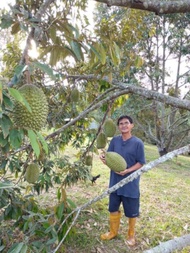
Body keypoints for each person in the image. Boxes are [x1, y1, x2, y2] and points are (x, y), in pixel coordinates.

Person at [99, 115, 146, 246]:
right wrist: (104, 160)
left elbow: (141, 163)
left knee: (131, 212)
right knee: (113, 208)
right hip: (115, 182)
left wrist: (127, 171)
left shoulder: (138, 143)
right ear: (118, 127)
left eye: (126, 123)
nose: (123, 125)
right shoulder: (114, 141)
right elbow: (110, 158)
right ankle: (113, 232)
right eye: (120, 123)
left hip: (130, 184)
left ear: (132, 125)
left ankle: (131, 235)